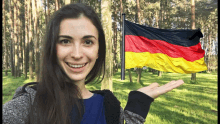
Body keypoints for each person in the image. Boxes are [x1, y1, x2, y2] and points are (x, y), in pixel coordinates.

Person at [3, 3, 184, 124]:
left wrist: (138, 104)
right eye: (65, 41)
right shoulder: (28, 104)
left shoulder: (109, 105)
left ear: (99, 51)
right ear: (52, 48)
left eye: (88, 42)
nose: (76, 54)